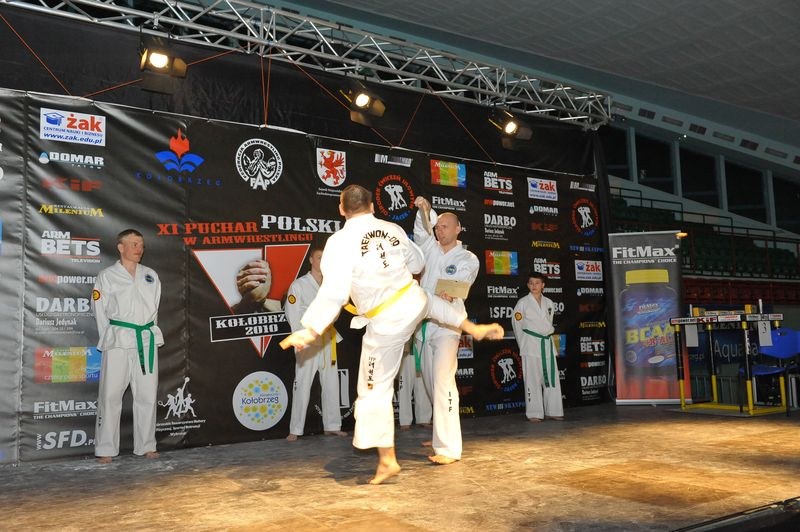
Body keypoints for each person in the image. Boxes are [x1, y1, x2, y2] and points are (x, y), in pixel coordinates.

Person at [280, 184, 503, 485]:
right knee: (428, 302)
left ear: (341, 209)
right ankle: (473, 327)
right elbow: (418, 263)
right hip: (414, 299)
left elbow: (334, 292)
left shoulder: (339, 241)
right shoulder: (391, 228)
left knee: (373, 389)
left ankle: (387, 460)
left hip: (387, 320)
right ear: (373, 207)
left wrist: (311, 329)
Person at [412, 196, 478, 465]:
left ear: (458, 229)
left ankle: (449, 448)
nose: (440, 230)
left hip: (448, 326)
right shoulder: (428, 247)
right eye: (438, 226)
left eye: (446, 226)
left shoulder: (467, 257)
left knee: (442, 381)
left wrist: (448, 291)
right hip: (424, 324)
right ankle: (441, 432)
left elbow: (460, 284)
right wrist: (424, 209)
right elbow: (421, 229)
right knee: (430, 382)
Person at [92, 229, 164, 463]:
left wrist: (150, 332)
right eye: (133, 244)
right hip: (118, 338)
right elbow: (99, 310)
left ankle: (146, 445)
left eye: (141, 244)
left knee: (147, 394)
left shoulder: (150, 275)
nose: (138, 249)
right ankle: (106, 448)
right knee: (110, 395)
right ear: (120, 247)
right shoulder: (107, 275)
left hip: (146, 338)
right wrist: (109, 336)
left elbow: (155, 309)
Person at [283, 247, 348, 441]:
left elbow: (335, 310)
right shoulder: (299, 285)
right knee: (302, 383)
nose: (322, 261)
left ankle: (332, 425)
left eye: (325, 258)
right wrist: (299, 337)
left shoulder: (331, 285)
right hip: (307, 340)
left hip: (328, 339)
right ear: (311, 260)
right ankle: (295, 429)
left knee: (331, 383)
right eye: (319, 257)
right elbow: (292, 313)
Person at [512, 271, 564, 422]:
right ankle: (534, 413)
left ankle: (554, 410)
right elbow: (517, 325)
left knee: (552, 379)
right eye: (531, 283)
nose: (534, 286)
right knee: (532, 379)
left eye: (537, 283)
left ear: (543, 285)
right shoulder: (522, 303)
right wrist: (523, 344)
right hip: (531, 345)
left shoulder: (549, 303)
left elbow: (548, 323)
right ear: (528, 285)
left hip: (546, 343)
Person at [396, 338, 432, 430]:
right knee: (405, 386)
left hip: (422, 344)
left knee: (423, 384)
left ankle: (424, 418)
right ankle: (405, 420)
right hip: (406, 347)